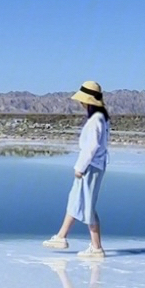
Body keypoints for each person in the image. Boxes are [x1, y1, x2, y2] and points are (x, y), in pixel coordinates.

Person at [42, 80, 110, 257]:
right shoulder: (98, 119)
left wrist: (80, 167)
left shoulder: (96, 120)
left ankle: (96, 247)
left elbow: (91, 147)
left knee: (87, 205)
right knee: (76, 200)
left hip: (91, 167)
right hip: (92, 166)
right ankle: (61, 236)